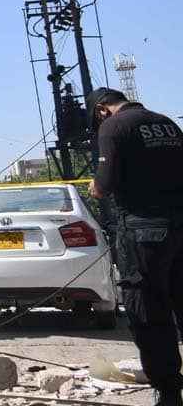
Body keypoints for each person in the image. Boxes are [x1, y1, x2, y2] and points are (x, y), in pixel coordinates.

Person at [87, 87, 183, 406]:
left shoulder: (113, 126)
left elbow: (104, 184)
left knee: (149, 313)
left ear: (102, 109)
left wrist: (95, 186)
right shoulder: (166, 123)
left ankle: (169, 392)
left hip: (144, 233)